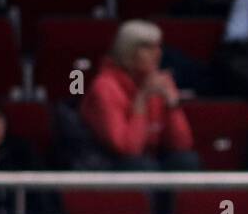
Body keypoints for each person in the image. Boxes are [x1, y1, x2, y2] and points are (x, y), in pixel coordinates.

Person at [77, 20, 202, 173]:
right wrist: (141, 101)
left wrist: (172, 104)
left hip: (147, 159)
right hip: (110, 165)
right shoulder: (105, 88)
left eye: (158, 47)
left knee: (186, 160)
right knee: (141, 166)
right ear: (127, 51)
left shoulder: (157, 82)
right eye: (148, 47)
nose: (157, 53)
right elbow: (128, 149)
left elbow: (182, 145)